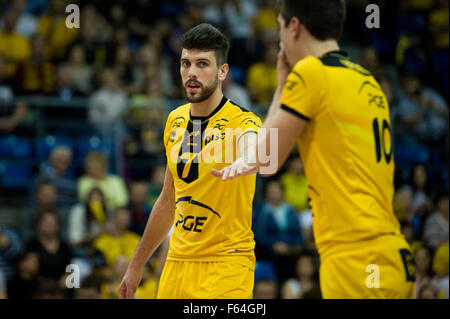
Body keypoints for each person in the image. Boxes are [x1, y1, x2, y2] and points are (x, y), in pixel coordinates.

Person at [213, 0, 416, 298]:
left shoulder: (311, 73)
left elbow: (266, 160)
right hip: (395, 255)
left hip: (355, 258)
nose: (280, 39)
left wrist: (282, 87)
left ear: (294, 27)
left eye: (281, 28)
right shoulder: (369, 81)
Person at [119, 23, 262, 299]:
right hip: (177, 263)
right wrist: (136, 265)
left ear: (223, 71)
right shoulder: (174, 119)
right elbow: (168, 199)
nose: (191, 72)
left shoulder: (243, 121)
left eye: (202, 64)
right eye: (186, 63)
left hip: (227, 262)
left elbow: (253, 143)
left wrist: (248, 159)